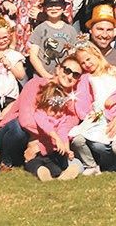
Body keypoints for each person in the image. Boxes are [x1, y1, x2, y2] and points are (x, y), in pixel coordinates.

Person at [23, 53, 84, 181]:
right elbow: (32, 121)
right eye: (67, 70)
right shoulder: (41, 105)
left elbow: (64, 129)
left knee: (58, 167)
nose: (69, 76)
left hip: (52, 150)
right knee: (35, 163)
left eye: (75, 74)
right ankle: (41, 171)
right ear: (58, 69)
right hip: (37, 144)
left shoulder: (72, 99)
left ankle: (62, 174)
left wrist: (67, 149)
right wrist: (52, 139)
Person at [27, 0, 80, 79]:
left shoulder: (70, 30)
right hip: (41, 77)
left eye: (57, 5)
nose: (54, 8)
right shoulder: (40, 29)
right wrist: (45, 75)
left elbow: (71, 55)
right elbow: (33, 55)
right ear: (44, 8)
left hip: (63, 78)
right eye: (50, 5)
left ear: (63, 7)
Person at [0, 18, 28, 111]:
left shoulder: (15, 55)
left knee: (8, 121)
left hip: (10, 95)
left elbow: (21, 76)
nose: (1, 41)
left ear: (10, 37)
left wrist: (10, 65)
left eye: (4, 37)